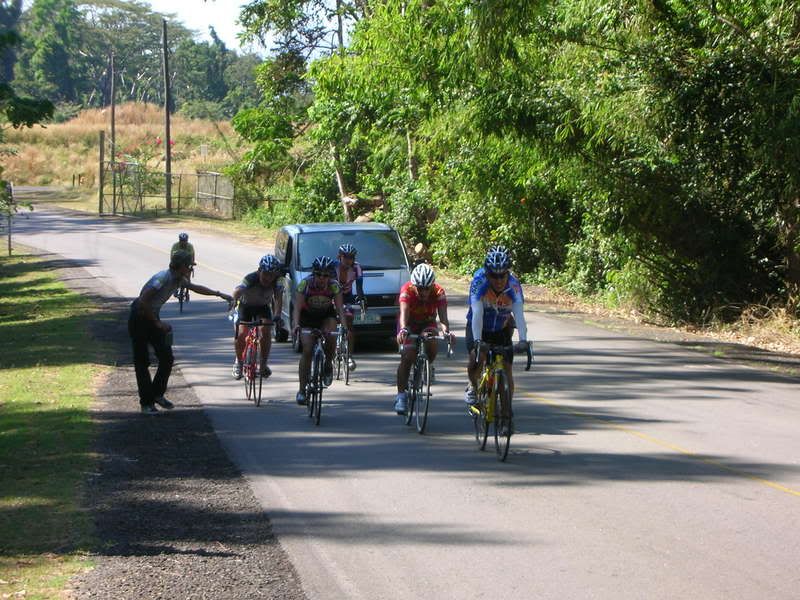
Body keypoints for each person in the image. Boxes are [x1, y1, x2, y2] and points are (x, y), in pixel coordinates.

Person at [128, 250, 232, 414]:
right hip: (139, 317)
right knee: (142, 362)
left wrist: (220, 294)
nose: (191, 269)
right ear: (181, 266)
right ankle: (146, 403)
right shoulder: (163, 278)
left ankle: (157, 394)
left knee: (167, 358)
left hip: (152, 316)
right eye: (189, 266)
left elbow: (196, 288)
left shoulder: (178, 279)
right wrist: (157, 323)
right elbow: (143, 301)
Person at [464, 248, 529, 433]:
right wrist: (478, 341)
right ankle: (473, 386)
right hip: (479, 327)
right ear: (487, 273)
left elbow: (519, 314)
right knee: (477, 358)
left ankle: (507, 417)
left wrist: (523, 340)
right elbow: (477, 313)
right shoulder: (479, 281)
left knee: (506, 369)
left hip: (501, 328)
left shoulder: (514, 285)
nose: (499, 280)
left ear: (508, 273)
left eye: (503, 275)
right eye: (494, 275)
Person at [393, 263, 455, 415]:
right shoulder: (407, 290)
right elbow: (404, 313)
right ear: (414, 285)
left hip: (427, 322)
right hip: (409, 323)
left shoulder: (439, 292)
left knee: (432, 341)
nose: (424, 292)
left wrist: (446, 332)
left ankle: (428, 365)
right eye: (420, 288)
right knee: (407, 357)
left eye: (427, 288)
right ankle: (401, 396)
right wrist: (403, 329)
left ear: (432, 286)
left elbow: (443, 318)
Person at [292, 256, 349, 405]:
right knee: (307, 350)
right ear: (314, 273)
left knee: (331, 336)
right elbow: (297, 308)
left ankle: (328, 364)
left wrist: (344, 327)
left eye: (325, 275)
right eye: (318, 274)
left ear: (330, 276)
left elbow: (340, 309)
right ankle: (302, 390)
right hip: (307, 317)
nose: (322, 278)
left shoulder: (334, 285)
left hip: (326, 316)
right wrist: (296, 325)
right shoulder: (305, 284)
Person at [231, 255, 285, 380]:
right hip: (246, 307)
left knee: (266, 331)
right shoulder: (250, 278)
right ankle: (239, 362)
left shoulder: (278, 281)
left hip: (262, 307)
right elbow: (238, 291)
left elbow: (278, 298)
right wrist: (233, 301)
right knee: (241, 334)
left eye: (271, 275)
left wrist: (277, 315)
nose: (268, 278)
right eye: (265, 274)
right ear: (259, 270)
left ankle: (263, 364)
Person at [333, 242, 366, 371]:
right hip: (332, 295)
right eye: (345, 257)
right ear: (339, 257)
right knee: (332, 320)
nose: (348, 260)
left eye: (351, 257)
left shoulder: (357, 268)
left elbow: (359, 287)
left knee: (349, 323)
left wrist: (361, 300)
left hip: (347, 297)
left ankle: (349, 356)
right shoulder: (333, 267)